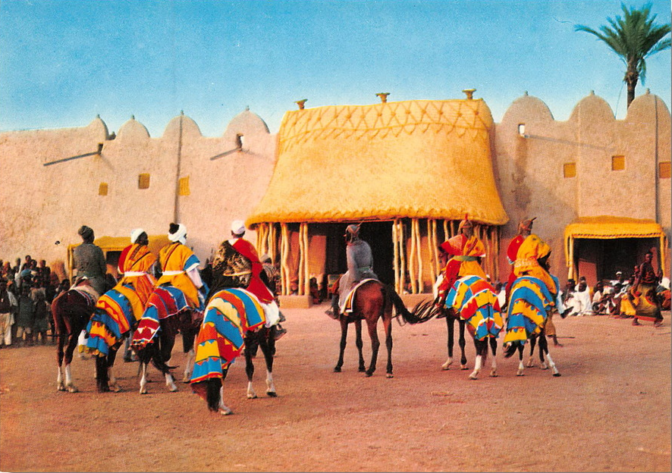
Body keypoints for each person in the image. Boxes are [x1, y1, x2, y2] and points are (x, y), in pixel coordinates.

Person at [211, 220, 283, 333]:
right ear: (243, 233)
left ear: (231, 232)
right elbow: (256, 265)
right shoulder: (247, 245)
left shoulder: (223, 246)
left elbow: (216, 267)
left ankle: (202, 321)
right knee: (268, 299)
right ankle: (273, 328)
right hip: (244, 282)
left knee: (207, 299)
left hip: (224, 281)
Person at [113, 229, 158, 362]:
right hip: (141, 283)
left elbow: (120, 269)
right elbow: (152, 271)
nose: (147, 240)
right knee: (149, 307)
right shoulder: (147, 253)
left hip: (125, 281)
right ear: (139, 239)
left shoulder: (127, 250)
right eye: (145, 238)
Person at [326, 223, 378, 319]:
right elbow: (371, 260)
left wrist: (355, 279)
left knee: (339, 285)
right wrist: (371, 271)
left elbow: (352, 265)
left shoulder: (350, 247)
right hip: (369, 272)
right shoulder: (366, 245)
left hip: (356, 273)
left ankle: (339, 309)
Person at [434, 215, 487, 306]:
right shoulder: (456, 240)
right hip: (457, 264)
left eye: (469, 228)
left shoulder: (476, 241)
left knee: (484, 282)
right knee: (449, 282)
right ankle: (443, 303)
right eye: (465, 228)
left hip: (473, 265)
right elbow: (443, 248)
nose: (467, 230)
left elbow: (480, 257)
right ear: (461, 229)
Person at [155, 223, 206, 310]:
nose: (186, 238)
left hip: (162, 281)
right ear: (181, 236)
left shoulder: (163, 250)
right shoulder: (184, 250)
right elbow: (192, 271)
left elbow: (159, 270)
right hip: (180, 281)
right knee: (200, 298)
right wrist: (200, 286)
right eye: (185, 235)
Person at [506, 217, 557, 302]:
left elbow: (510, 260)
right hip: (533, 268)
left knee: (509, 286)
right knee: (551, 283)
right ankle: (552, 303)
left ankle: (507, 305)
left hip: (518, 270)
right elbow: (544, 252)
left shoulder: (516, 241)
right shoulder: (534, 239)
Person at [72, 225, 108, 298]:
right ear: (91, 236)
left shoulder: (76, 250)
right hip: (95, 280)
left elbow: (75, 265)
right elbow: (103, 268)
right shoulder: (96, 249)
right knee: (105, 297)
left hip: (79, 278)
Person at [631, 251, 663, 327]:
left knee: (654, 303)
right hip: (645, 288)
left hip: (651, 288)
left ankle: (655, 321)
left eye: (650, 257)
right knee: (651, 304)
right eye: (648, 257)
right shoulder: (643, 265)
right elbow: (640, 276)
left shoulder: (650, 266)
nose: (649, 258)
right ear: (645, 257)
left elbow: (650, 277)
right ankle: (655, 321)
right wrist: (635, 286)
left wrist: (658, 277)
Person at [0, 278, 18, 348]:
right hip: (0, 314)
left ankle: (8, 343)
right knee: (0, 329)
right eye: (1, 285)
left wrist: (12, 310)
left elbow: (15, 303)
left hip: (7, 313)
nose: (2, 287)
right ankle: (0, 343)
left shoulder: (9, 294)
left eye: (3, 285)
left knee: (7, 328)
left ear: (6, 286)